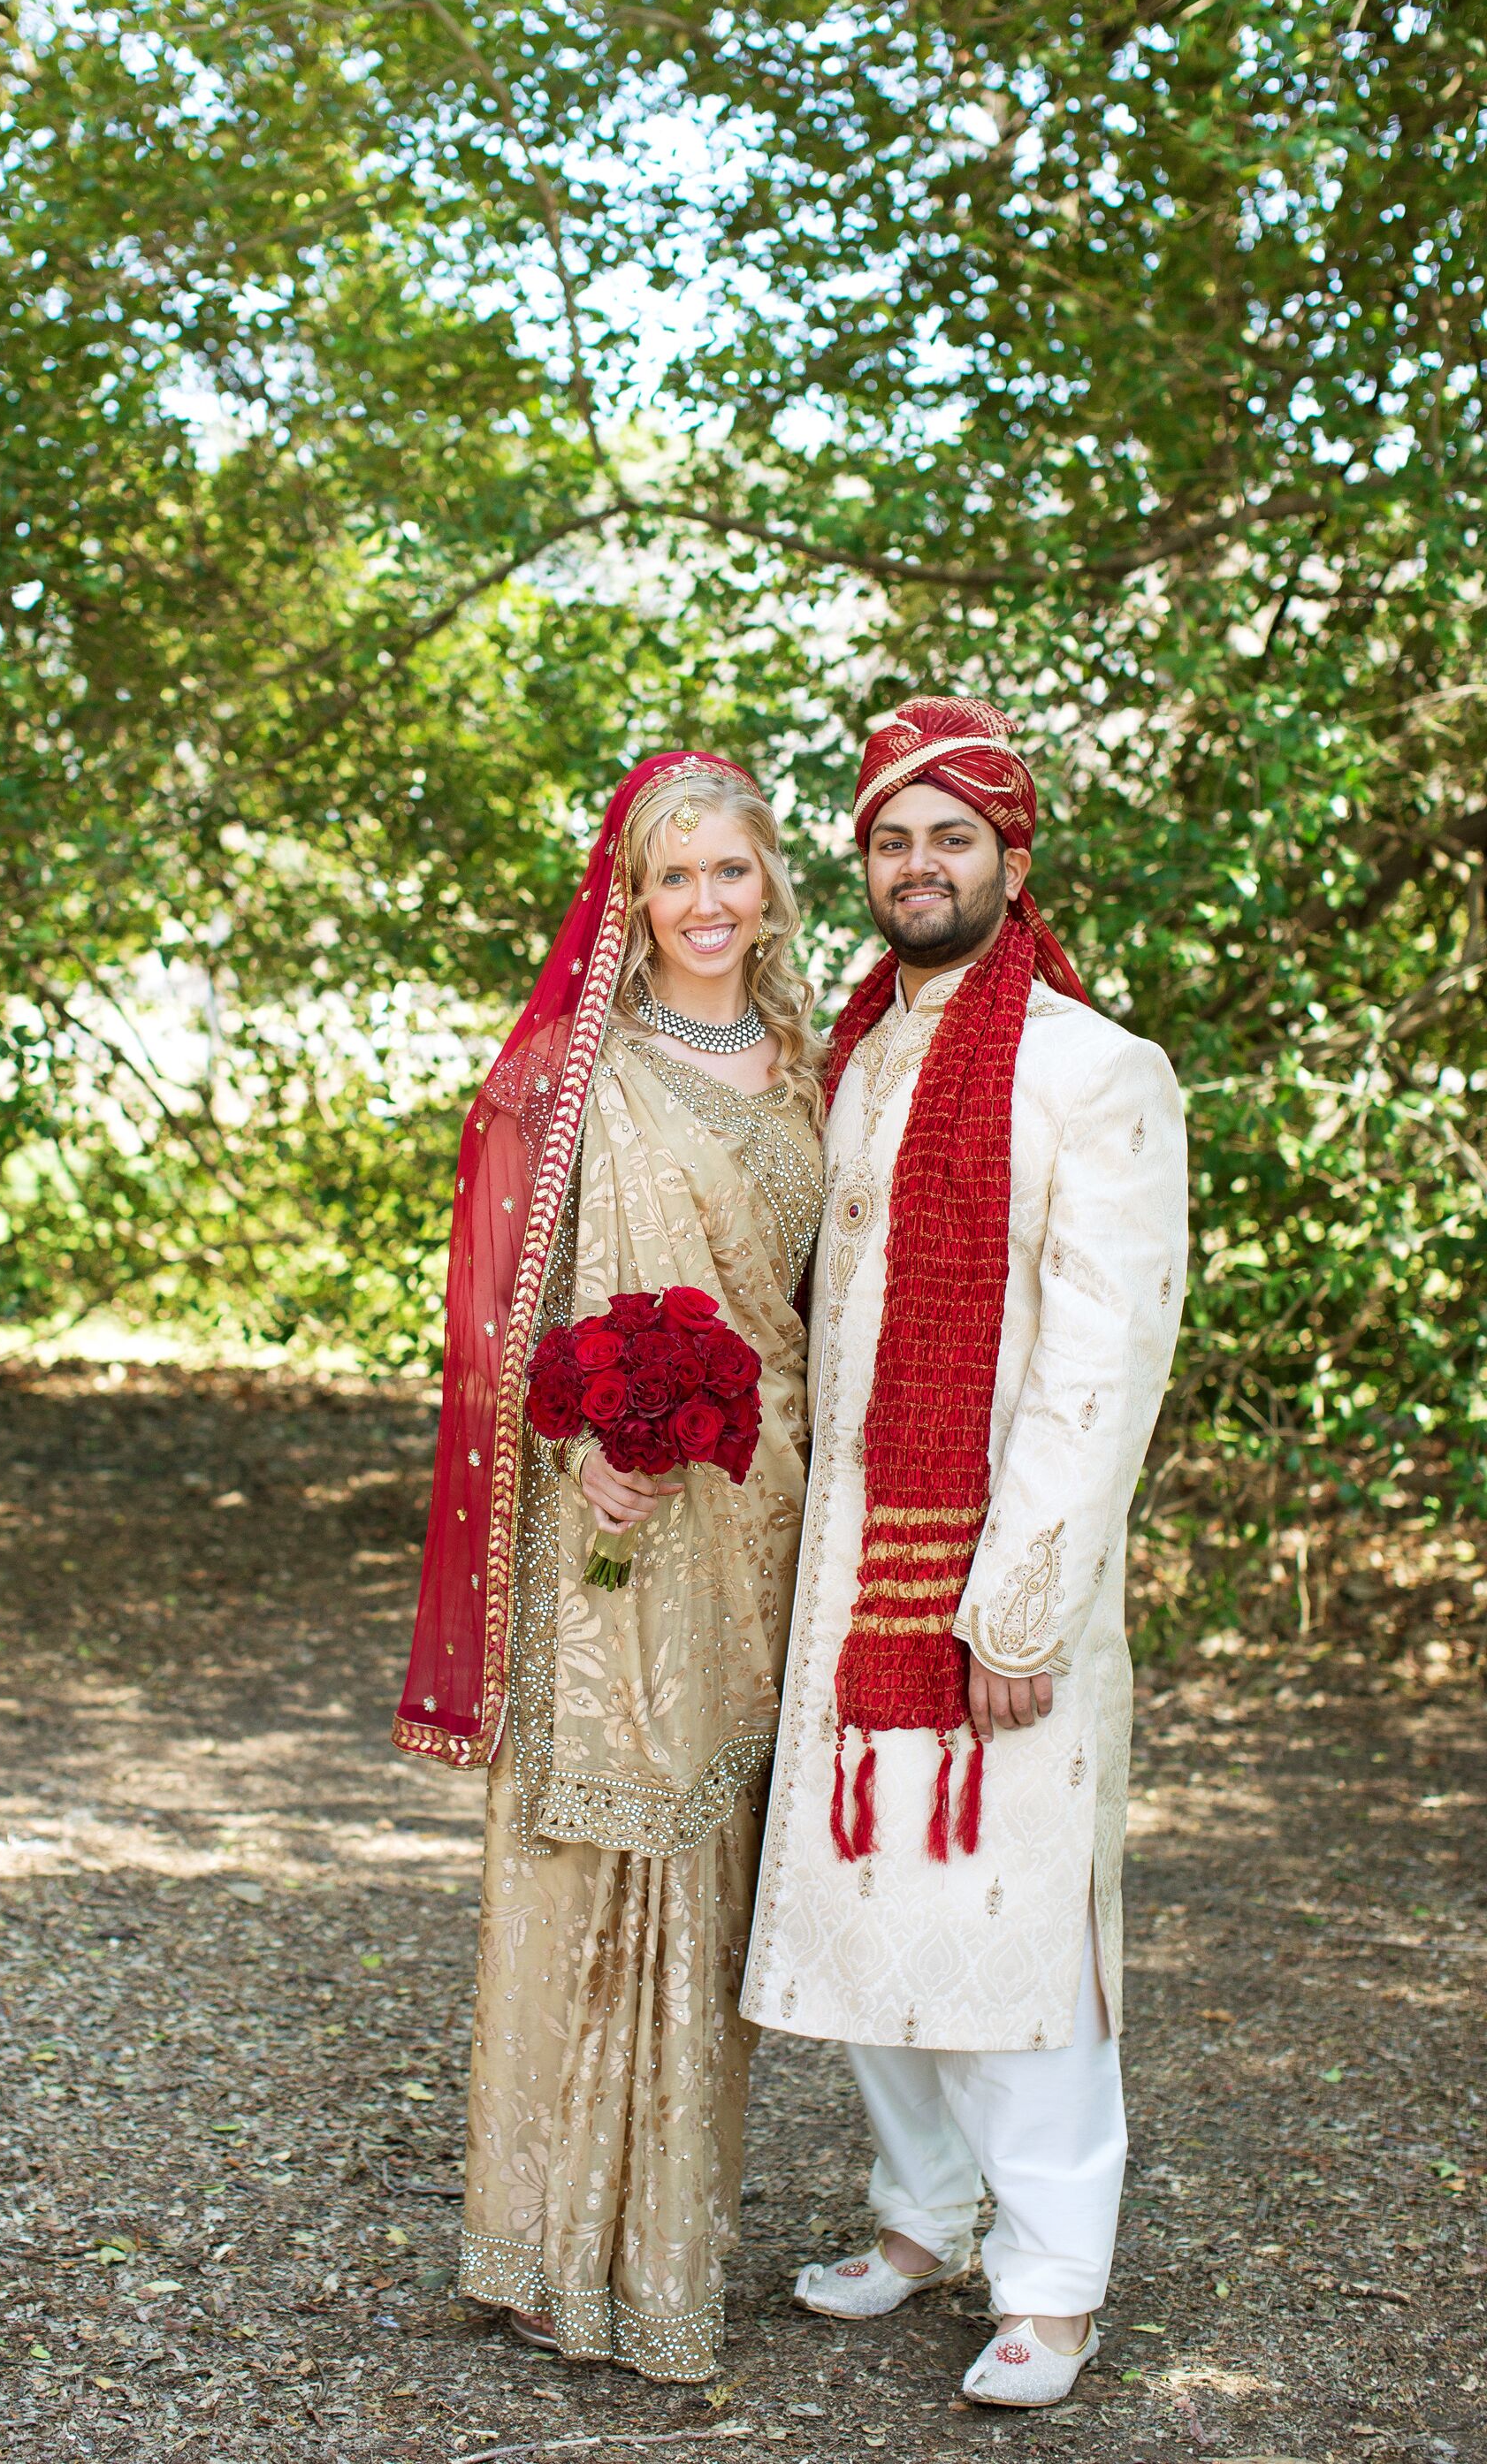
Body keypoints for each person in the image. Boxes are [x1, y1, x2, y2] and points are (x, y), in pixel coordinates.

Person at [741, 696, 1187, 2410]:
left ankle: (1052, 2282)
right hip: (844, 1573)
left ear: (1013, 856)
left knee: (1016, 1937)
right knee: (869, 1926)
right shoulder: (850, 1054)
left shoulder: (1091, 1068)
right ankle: (917, 2218)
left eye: (951, 836)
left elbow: (1105, 1362)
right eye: (888, 838)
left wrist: (1017, 1603)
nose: (916, 866)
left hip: (998, 1581)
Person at [394, 753, 825, 2381]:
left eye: (735, 873)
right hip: (612, 1508)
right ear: (629, 899)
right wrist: (583, 1436)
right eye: (676, 877)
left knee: (704, 1858)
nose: (709, 904)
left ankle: (667, 2243)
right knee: (595, 1848)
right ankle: (544, 2245)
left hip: (764, 1502)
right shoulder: (576, 1074)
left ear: (770, 887)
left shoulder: (810, 1065)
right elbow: (515, 1301)